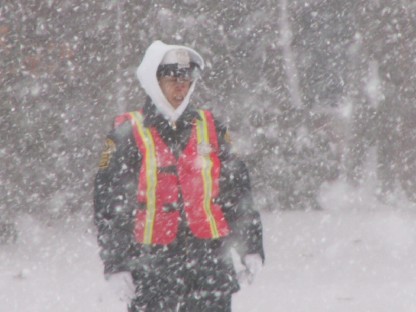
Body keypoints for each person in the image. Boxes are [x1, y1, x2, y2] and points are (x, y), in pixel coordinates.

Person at [93, 40, 264, 312]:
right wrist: (117, 264)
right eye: (171, 78)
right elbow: (110, 206)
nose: (180, 86)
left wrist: (251, 246)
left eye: (185, 78)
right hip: (151, 270)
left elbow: (237, 193)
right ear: (152, 81)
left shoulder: (212, 128)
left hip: (210, 266)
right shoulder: (127, 135)